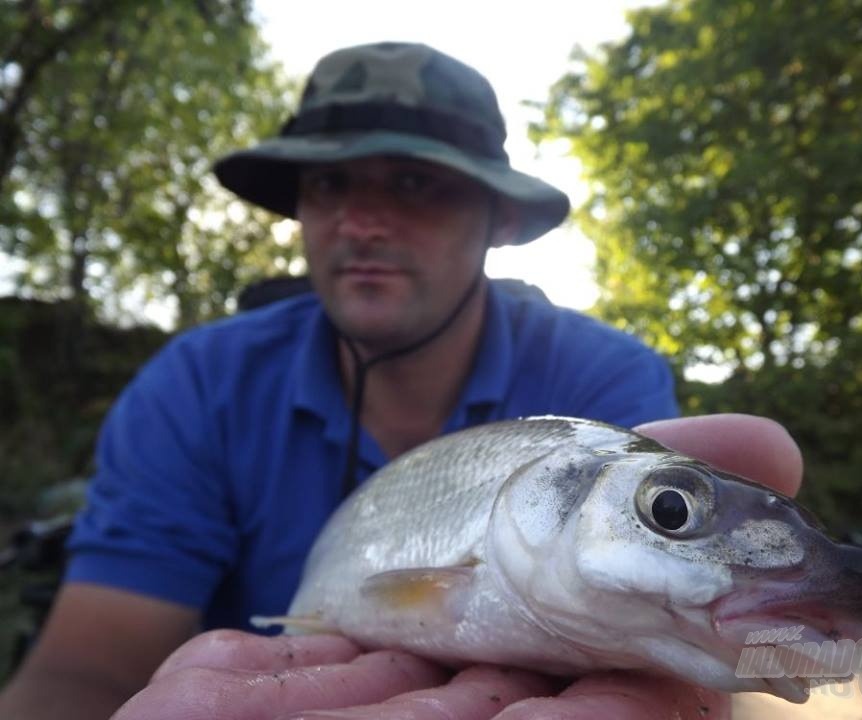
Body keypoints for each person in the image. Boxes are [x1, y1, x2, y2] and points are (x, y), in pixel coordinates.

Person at [0, 42, 803, 720]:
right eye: (328, 185)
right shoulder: (197, 383)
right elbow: (87, 671)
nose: (360, 222)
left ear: (503, 221)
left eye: (416, 183)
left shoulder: (601, 376)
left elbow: (672, 623)